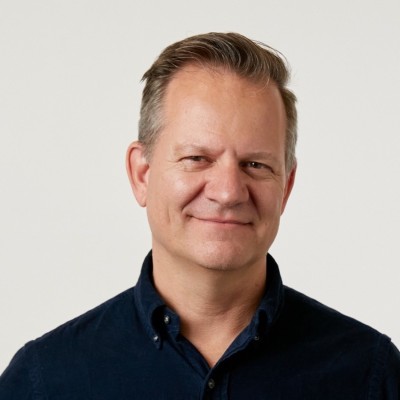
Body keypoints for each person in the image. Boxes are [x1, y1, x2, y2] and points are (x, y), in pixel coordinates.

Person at [1, 32, 399, 399]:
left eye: (256, 165)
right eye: (197, 158)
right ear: (142, 174)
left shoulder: (370, 374)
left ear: (287, 186)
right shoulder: (46, 380)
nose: (227, 192)